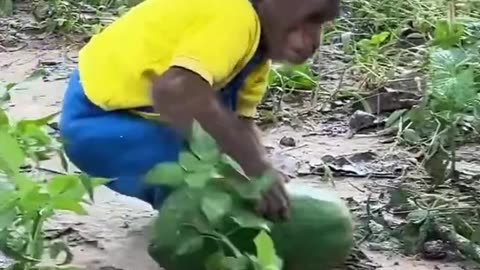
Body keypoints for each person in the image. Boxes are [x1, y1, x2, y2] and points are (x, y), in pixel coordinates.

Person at [59, 0, 340, 221]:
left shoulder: (256, 57)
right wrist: (255, 170)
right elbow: (176, 91)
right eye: (306, 21)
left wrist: (263, 170)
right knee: (204, 181)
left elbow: (241, 124)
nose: (315, 41)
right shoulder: (233, 16)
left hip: (134, 118)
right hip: (95, 120)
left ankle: (192, 221)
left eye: (320, 25)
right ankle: (187, 232)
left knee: (221, 160)